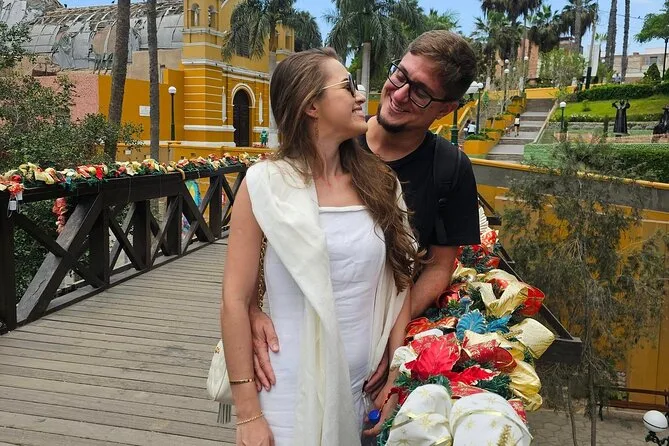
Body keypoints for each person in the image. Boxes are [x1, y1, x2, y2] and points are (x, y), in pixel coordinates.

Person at [249, 29, 481, 428]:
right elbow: (265, 231)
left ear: (446, 109)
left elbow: (439, 266)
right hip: (296, 348)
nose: (400, 93)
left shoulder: (450, 168)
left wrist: (392, 333)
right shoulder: (337, 135)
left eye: (421, 92)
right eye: (400, 75)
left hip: (374, 350)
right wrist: (251, 309)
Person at [221, 47, 420, 446]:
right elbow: (234, 300)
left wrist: (396, 371)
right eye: (348, 86)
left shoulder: (381, 183)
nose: (360, 96)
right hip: (288, 391)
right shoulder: (264, 184)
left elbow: (400, 282)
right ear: (311, 105)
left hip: (363, 386)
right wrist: (248, 414)